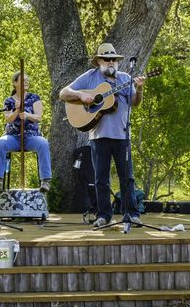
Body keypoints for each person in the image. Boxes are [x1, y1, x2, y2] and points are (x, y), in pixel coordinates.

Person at [59, 42, 145, 227]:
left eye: (113, 59)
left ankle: (131, 213)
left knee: (127, 177)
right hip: (99, 136)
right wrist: (81, 96)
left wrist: (139, 88)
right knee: (101, 179)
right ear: (99, 61)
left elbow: (135, 102)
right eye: (106, 59)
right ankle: (104, 215)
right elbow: (63, 93)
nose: (111, 62)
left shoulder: (125, 78)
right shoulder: (90, 77)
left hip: (122, 136)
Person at [0, 72, 52, 194]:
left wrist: (27, 115)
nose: (26, 82)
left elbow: (38, 117)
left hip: (31, 136)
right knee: (0, 143)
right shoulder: (9, 101)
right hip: (13, 136)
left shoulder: (34, 98)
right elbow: (8, 119)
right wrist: (17, 110)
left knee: (43, 143)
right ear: (15, 83)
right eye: (23, 80)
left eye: (27, 80)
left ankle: (45, 181)